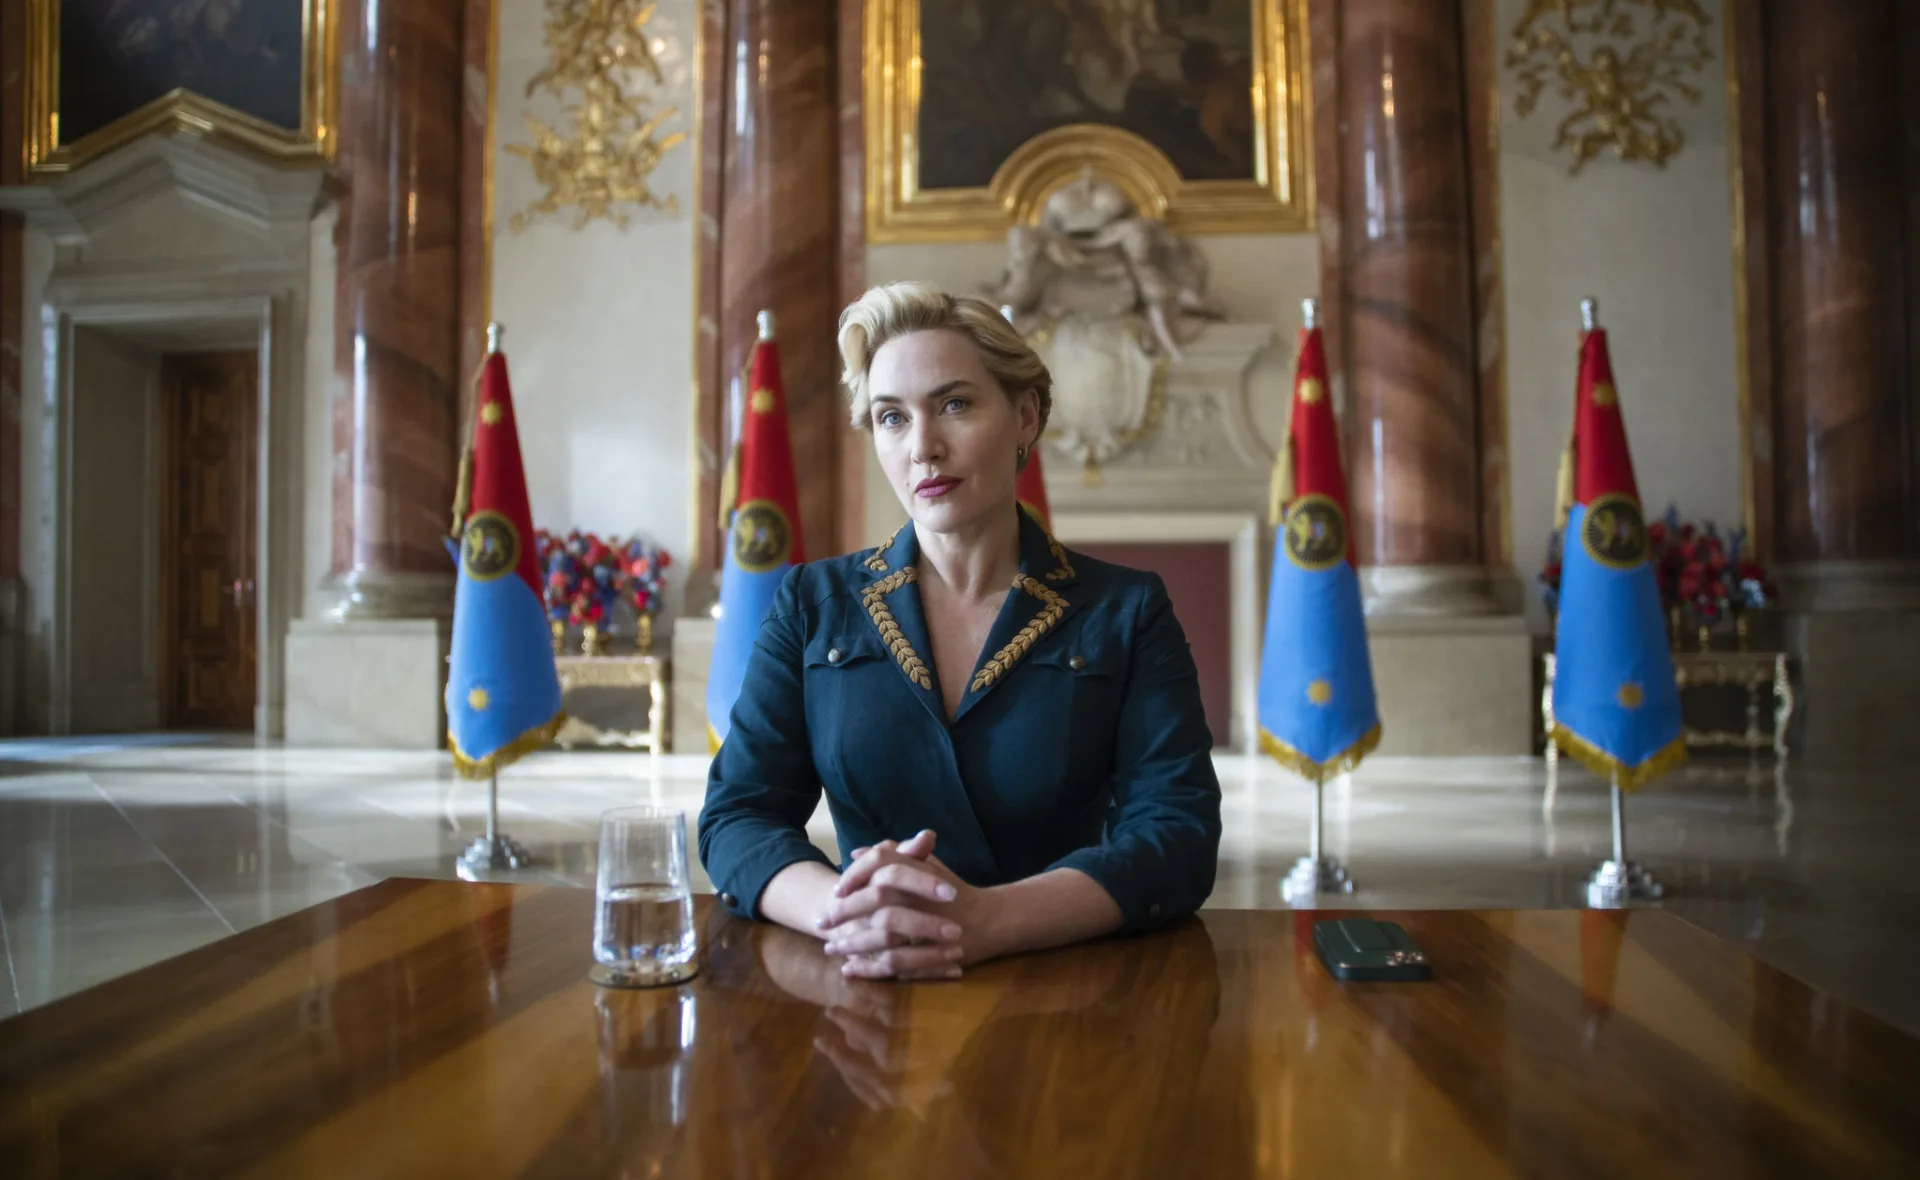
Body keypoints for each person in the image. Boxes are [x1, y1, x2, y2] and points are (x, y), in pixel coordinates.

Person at [697, 280, 1221, 982]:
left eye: (954, 404)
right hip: (862, 979)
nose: (924, 447)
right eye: (891, 418)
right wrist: (850, 912)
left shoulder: (1125, 609)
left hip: (1066, 989)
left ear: (1025, 417)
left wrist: (990, 921)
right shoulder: (812, 603)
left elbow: (1177, 837)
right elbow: (738, 816)